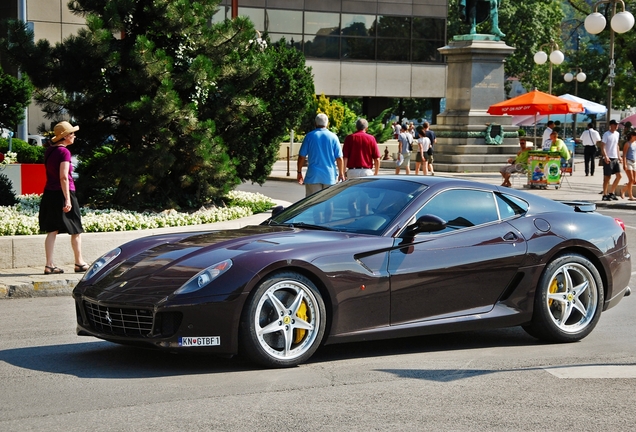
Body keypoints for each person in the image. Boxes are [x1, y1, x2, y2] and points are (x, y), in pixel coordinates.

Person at [38, 121, 88, 275]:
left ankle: (49, 265)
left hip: (49, 193)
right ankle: (79, 262)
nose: (74, 136)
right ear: (65, 137)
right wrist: (67, 199)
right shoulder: (64, 152)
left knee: (52, 230)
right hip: (64, 192)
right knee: (76, 229)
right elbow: (64, 177)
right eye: (72, 134)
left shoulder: (50, 151)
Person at [297, 113, 345, 197]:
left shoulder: (309, 136)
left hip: (313, 175)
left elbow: (301, 157)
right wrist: (341, 173)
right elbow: (339, 158)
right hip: (329, 175)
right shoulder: (333, 137)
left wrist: (299, 172)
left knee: (312, 203)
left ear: (315, 123)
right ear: (327, 123)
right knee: (329, 203)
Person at [600, 119, 622, 201]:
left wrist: (619, 156)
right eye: (615, 124)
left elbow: (617, 145)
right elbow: (602, 146)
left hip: (615, 157)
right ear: (611, 125)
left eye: (617, 125)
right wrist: (605, 156)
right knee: (607, 177)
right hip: (608, 157)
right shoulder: (606, 134)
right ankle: (605, 194)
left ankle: (611, 192)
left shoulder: (617, 134)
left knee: (619, 176)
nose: (617, 126)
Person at [622, 131, 636, 200]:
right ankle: (631, 196)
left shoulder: (635, 143)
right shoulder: (627, 144)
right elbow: (624, 155)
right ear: (632, 136)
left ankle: (623, 190)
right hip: (628, 161)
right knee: (631, 179)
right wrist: (624, 164)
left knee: (634, 180)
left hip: (634, 162)